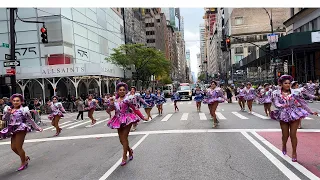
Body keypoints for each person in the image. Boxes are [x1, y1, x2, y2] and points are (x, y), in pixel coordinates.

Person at [270, 75, 318, 162]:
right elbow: (276, 103)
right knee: (285, 135)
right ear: (281, 84)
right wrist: (282, 105)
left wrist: (311, 112)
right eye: (285, 83)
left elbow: (303, 103)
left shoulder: (296, 92)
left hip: (294, 113)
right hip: (283, 114)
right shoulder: (276, 93)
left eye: (289, 83)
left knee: (293, 134)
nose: (287, 85)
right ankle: (284, 144)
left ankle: (294, 152)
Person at [106, 82, 148, 166]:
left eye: (123, 90)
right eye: (120, 90)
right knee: (121, 140)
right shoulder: (114, 100)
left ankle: (124, 156)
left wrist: (143, 117)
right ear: (117, 91)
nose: (122, 91)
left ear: (126, 91)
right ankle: (130, 151)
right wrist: (110, 105)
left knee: (124, 138)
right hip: (118, 119)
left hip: (127, 119)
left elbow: (135, 109)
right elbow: (109, 111)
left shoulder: (128, 99)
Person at [0, 94, 42, 171]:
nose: (15, 102)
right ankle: (25, 157)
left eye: (17, 101)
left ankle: (24, 162)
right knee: (13, 148)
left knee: (18, 147)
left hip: (21, 128)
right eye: (14, 101)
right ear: (12, 101)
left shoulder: (24, 110)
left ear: (21, 102)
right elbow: (4, 119)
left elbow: (30, 120)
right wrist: (8, 113)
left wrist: (37, 127)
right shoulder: (9, 109)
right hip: (12, 128)